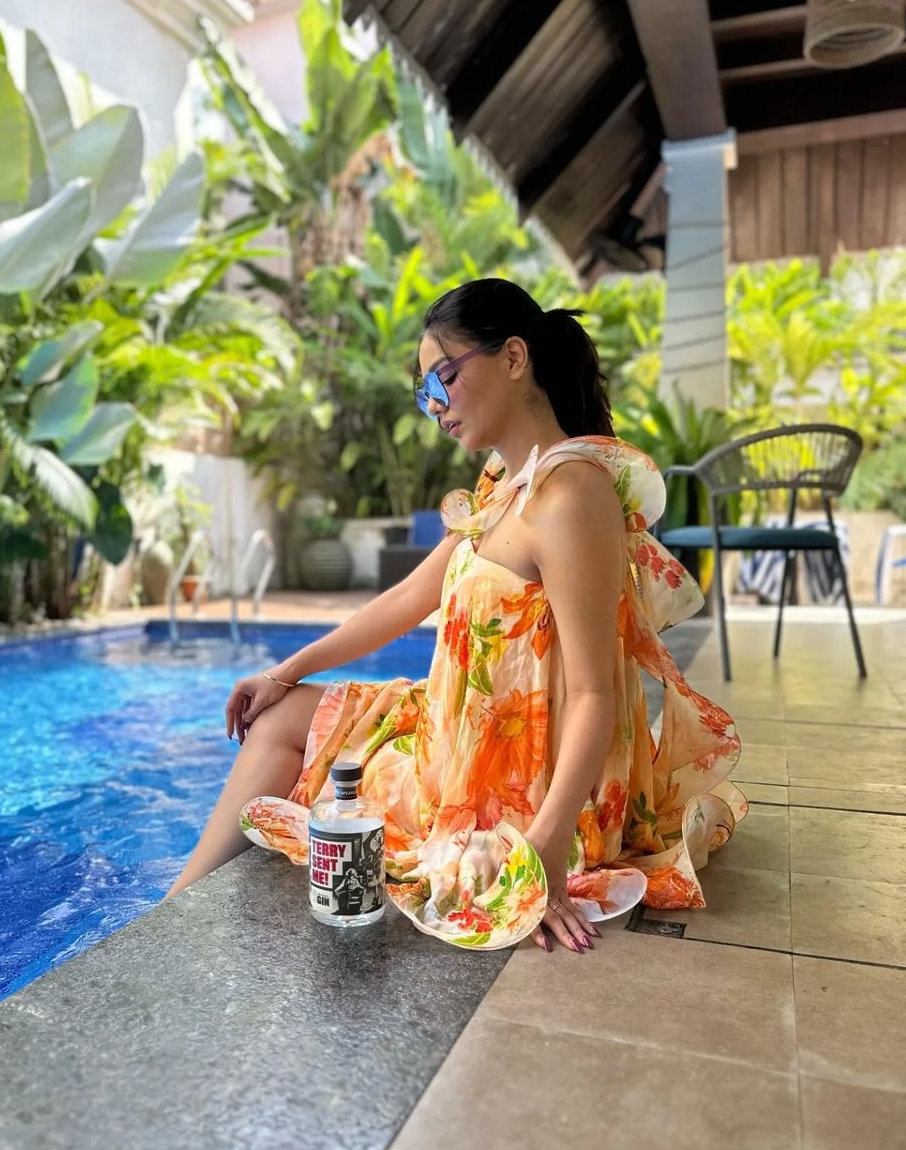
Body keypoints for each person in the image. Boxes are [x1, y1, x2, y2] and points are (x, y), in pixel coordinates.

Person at [165, 278, 745, 953]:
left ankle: (176, 922)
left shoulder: (570, 495)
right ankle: (178, 908)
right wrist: (282, 671)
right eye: (425, 391)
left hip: (517, 783)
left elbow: (595, 692)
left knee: (298, 744)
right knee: (281, 714)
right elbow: (408, 599)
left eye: (443, 376)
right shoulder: (503, 487)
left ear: (514, 358)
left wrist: (544, 853)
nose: (434, 405)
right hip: (457, 742)